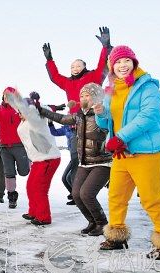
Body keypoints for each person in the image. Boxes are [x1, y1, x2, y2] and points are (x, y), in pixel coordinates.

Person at [94, 45, 160, 260]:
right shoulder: (111, 90)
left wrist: (121, 137)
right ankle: (116, 236)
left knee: (151, 198)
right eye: (117, 62)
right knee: (116, 196)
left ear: (134, 63)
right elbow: (107, 122)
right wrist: (100, 113)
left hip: (145, 150)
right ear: (111, 66)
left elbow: (149, 115)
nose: (122, 65)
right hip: (121, 152)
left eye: (126, 61)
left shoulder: (147, 86)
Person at [42, 27, 112, 204]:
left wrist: (106, 47)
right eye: (72, 66)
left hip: (93, 122)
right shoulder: (67, 83)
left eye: (78, 65)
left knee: (87, 156)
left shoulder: (93, 77)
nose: (75, 68)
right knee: (78, 158)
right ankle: (78, 190)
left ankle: (99, 180)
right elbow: (54, 77)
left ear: (84, 67)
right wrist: (49, 59)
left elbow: (103, 67)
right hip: (73, 124)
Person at [38, 83, 111, 236]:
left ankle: (102, 223)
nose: (84, 98)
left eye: (88, 95)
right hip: (84, 162)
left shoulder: (103, 114)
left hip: (102, 162)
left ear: (97, 97)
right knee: (76, 194)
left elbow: (108, 120)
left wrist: (102, 112)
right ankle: (92, 221)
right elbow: (62, 119)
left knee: (86, 193)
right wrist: (43, 111)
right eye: (82, 96)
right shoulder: (79, 115)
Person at [6, 90, 61, 226]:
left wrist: (27, 103)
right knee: (31, 186)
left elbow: (31, 112)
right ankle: (34, 212)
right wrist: (11, 98)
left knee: (39, 188)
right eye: (18, 111)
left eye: (21, 111)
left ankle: (43, 217)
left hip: (48, 158)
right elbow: (22, 109)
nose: (19, 114)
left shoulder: (36, 120)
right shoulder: (24, 121)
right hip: (37, 159)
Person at [0, 88, 30, 208]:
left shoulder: (20, 108)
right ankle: (11, 195)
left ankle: (28, 161)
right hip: (4, 147)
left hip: (19, 145)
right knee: (9, 173)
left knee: (24, 172)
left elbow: (34, 111)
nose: (7, 98)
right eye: (5, 96)